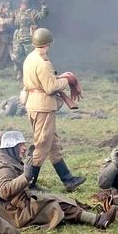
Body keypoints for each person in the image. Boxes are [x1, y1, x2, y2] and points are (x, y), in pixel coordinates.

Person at [0, 131, 116, 230]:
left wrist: (26, 174)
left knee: (57, 198)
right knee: (54, 205)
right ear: (11, 147)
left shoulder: (7, 159)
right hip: (10, 211)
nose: (24, 148)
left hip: (15, 205)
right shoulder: (4, 165)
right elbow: (4, 191)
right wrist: (25, 176)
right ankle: (97, 220)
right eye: (20, 145)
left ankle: (92, 213)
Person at [22, 27, 85, 192]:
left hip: (34, 104)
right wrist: (67, 79)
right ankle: (30, 183)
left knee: (53, 143)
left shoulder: (30, 58)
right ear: (48, 44)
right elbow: (50, 87)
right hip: (43, 107)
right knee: (42, 145)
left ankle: (68, 179)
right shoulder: (43, 63)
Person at [11, 0, 48, 80]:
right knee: (15, 58)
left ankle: (32, 76)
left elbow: (43, 15)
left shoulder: (33, 13)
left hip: (29, 40)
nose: (22, 5)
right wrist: (10, 2)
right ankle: (21, 71)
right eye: (21, 3)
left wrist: (44, 6)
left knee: (31, 59)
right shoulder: (17, 12)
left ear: (27, 5)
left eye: (23, 4)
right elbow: (10, 15)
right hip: (18, 39)